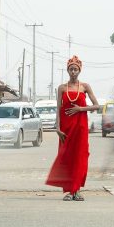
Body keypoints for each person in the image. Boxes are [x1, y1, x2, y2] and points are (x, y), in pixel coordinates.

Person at [46, 55, 100, 201]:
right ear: (68, 71)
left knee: (80, 157)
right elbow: (58, 109)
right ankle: (69, 191)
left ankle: (76, 190)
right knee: (67, 158)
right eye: (71, 69)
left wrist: (80, 109)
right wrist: (57, 127)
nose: (73, 72)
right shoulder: (62, 88)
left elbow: (97, 106)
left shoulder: (85, 86)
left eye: (76, 69)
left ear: (79, 71)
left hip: (80, 128)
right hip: (66, 128)